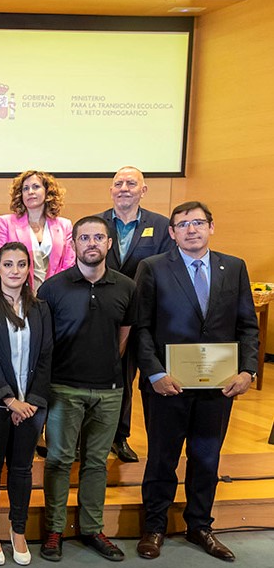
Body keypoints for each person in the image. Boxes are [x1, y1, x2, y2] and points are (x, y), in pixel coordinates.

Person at [133, 201, 258, 562]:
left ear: (211, 227)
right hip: (166, 384)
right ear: (171, 232)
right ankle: (154, 525)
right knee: (162, 457)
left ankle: (200, 525)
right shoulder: (153, 268)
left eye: (198, 223)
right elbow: (141, 326)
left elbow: (247, 325)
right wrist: (154, 373)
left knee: (206, 457)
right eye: (183, 224)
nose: (191, 229)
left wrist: (247, 370)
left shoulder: (233, 268)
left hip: (219, 386)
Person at [36, 216, 135, 563]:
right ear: (73, 244)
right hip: (64, 387)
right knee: (60, 459)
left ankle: (92, 528)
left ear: (109, 244)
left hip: (109, 390)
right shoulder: (52, 288)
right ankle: (54, 529)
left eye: (98, 237)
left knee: (96, 462)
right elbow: (44, 340)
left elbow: (123, 335)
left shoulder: (126, 287)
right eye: (84, 238)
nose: (91, 243)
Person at [0, 242, 52, 566]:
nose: (14, 271)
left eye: (20, 264)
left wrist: (29, 402)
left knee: (21, 469)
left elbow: (45, 356)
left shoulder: (40, 307)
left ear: (28, 268)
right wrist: (9, 399)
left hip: (30, 405)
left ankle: (18, 530)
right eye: (8, 264)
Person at [96, 166, 175, 463]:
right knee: (99, 375)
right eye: (118, 183)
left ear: (143, 190)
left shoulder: (161, 225)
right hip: (102, 315)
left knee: (128, 377)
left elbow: (168, 270)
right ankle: (90, 437)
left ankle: (120, 436)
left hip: (142, 317)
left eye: (131, 183)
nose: (124, 188)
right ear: (111, 190)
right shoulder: (97, 224)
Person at [0, 170, 74, 291]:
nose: (30, 192)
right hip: (17, 293)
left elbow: (69, 264)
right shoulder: (4, 223)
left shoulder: (64, 225)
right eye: (25, 188)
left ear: (47, 192)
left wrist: (53, 289)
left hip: (56, 292)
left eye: (36, 187)